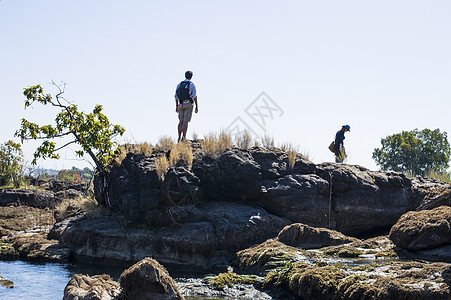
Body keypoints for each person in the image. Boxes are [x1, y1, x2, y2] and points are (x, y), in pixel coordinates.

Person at [174, 71, 198, 142]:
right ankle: (184, 138)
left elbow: (176, 96)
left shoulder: (179, 84)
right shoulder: (191, 84)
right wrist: (196, 106)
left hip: (180, 104)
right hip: (188, 104)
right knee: (185, 121)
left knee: (180, 121)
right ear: (191, 76)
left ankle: (179, 137)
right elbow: (194, 96)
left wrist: (176, 105)